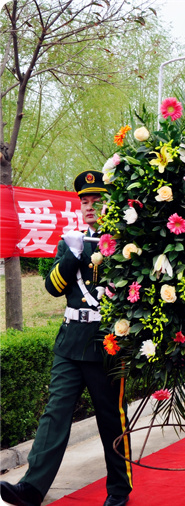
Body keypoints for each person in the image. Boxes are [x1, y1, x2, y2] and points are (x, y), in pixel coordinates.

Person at [1, 171, 133, 506]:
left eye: (96, 200)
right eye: (85, 201)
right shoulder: (69, 240)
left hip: (106, 343)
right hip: (70, 341)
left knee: (110, 418)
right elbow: (51, 287)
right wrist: (73, 254)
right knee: (55, 412)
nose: (90, 207)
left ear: (108, 203)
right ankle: (32, 487)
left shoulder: (123, 242)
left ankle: (119, 488)